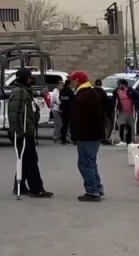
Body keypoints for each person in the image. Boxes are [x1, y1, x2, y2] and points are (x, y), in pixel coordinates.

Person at [7, 68, 52, 198]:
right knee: (31, 160)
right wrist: (20, 131)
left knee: (25, 159)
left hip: (27, 130)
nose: (31, 80)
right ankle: (36, 188)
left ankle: (19, 185)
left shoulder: (25, 91)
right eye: (29, 78)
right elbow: (15, 114)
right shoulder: (20, 92)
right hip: (23, 132)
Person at [70, 70, 105, 202]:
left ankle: (92, 191)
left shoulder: (83, 97)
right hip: (95, 134)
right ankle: (98, 187)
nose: (71, 83)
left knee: (85, 164)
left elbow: (78, 119)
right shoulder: (92, 93)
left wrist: (75, 135)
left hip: (86, 135)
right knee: (91, 162)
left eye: (72, 80)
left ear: (77, 81)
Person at [113, 79, 139, 145]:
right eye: (118, 84)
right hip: (122, 111)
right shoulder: (116, 91)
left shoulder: (130, 91)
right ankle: (122, 140)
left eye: (120, 84)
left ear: (124, 85)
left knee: (130, 126)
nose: (118, 86)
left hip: (131, 111)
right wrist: (115, 107)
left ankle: (129, 140)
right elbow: (114, 100)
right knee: (121, 125)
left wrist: (136, 105)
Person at [94, 79, 113, 145]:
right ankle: (103, 138)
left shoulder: (92, 91)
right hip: (101, 111)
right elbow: (106, 102)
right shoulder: (102, 92)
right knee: (102, 126)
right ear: (101, 84)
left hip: (92, 111)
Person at [57, 80, 75, 144]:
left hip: (63, 110)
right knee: (72, 125)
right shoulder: (70, 91)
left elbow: (60, 98)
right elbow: (73, 100)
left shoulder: (62, 91)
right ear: (69, 84)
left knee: (64, 125)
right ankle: (73, 139)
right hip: (70, 110)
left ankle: (63, 139)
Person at [49, 81, 63, 146]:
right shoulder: (55, 92)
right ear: (57, 86)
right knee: (58, 124)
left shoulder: (61, 92)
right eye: (60, 85)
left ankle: (57, 137)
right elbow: (52, 101)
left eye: (62, 85)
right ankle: (56, 137)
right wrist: (52, 108)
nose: (61, 87)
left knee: (58, 124)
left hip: (60, 110)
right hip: (56, 109)